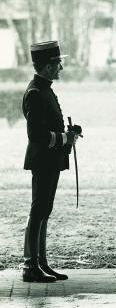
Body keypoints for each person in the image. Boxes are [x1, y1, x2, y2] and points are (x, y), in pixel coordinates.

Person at [22, 41, 80, 282]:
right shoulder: (36, 92)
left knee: (44, 210)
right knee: (38, 210)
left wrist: (68, 135)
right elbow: (36, 136)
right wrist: (64, 137)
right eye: (58, 63)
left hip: (50, 159)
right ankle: (29, 266)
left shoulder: (43, 88)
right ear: (46, 66)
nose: (61, 68)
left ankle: (40, 263)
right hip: (43, 160)